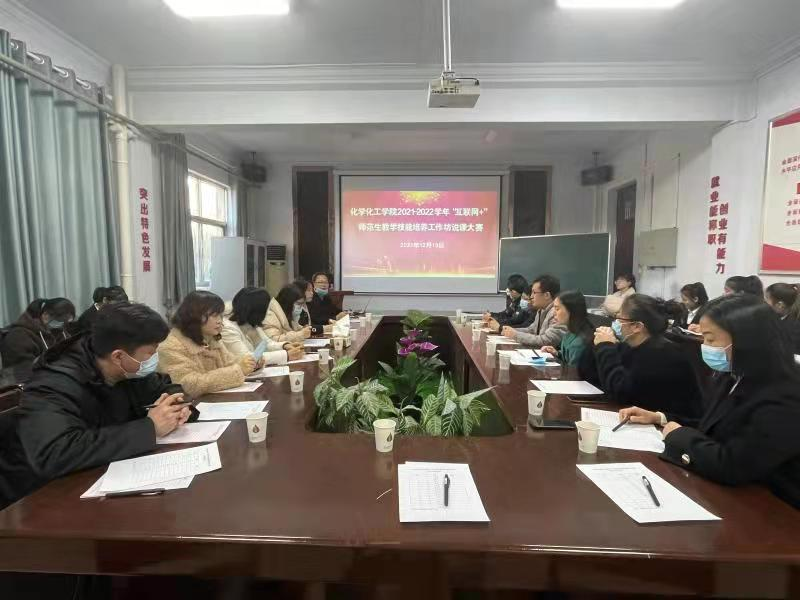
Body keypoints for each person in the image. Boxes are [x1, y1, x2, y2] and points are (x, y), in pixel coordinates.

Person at [0, 302, 196, 510]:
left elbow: (163, 385)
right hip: (47, 498)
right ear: (118, 356)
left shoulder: (128, 368)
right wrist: (150, 428)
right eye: (151, 352)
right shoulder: (53, 384)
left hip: (106, 475)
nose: (155, 358)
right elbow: (54, 453)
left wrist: (176, 403)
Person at [619, 294, 800, 509]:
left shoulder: (785, 397)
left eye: (711, 339)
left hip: (773, 506)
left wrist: (678, 435)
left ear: (746, 341)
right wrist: (660, 418)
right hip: (731, 493)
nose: (704, 346)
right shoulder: (734, 375)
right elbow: (716, 427)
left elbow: (733, 465)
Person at [592, 294, 703, 425]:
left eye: (620, 318)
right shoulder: (633, 345)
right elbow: (595, 375)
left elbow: (620, 392)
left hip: (674, 425)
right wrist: (601, 343)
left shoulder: (662, 354)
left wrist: (605, 346)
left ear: (637, 326)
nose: (616, 323)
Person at [158, 291, 258, 397]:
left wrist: (249, 364)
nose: (220, 321)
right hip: (191, 405)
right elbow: (188, 385)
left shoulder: (210, 338)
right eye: (214, 315)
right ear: (194, 316)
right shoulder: (171, 346)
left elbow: (230, 363)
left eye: (221, 315)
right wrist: (238, 370)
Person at [221, 287, 305, 364]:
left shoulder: (250, 323)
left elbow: (265, 344)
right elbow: (248, 358)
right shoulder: (228, 329)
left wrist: (284, 346)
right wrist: (286, 355)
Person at [0, 298, 76, 369]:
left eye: (67, 323)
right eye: (61, 322)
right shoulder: (18, 337)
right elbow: (23, 369)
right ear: (46, 316)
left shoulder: (58, 331)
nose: (63, 326)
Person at [501, 274, 567, 348]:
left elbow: (547, 341)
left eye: (534, 292)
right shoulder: (541, 310)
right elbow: (531, 330)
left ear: (547, 295)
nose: (531, 296)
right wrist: (510, 331)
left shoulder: (557, 313)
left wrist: (515, 335)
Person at [540, 290, 593, 366]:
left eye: (557, 309)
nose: (554, 313)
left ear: (571, 310)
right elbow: (568, 357)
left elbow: (573, 371)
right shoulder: (572, 331)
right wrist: (557, 353)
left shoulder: (580, 342)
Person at [765, 283, 800, 354]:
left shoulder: (794, 328)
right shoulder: (767, 318)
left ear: (780, 305)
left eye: (766, 300)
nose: (763, 303)